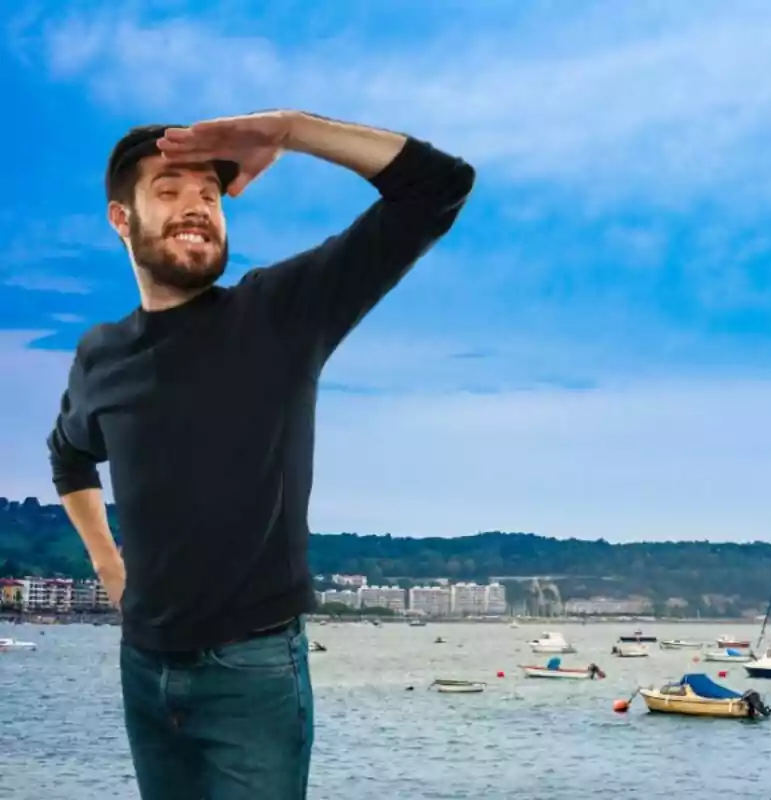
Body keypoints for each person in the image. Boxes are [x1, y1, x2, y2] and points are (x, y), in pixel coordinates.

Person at [46, 110, 475, 799]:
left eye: (209, 196)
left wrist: (291, 131)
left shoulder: (280, 315)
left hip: (252, 672)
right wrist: (107, 562)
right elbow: (69, 456)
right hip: (143, 667)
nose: (195, 208)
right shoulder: (100, 356)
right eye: (168, 190)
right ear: (121, 220)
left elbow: (439, 188)